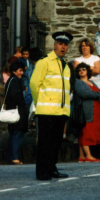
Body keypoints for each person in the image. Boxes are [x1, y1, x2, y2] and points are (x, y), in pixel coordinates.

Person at [30, 31, 73, 180]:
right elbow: (34, 84)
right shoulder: (44, 62)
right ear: (54, 45)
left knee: (56, 142)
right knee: (44, 143)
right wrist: (39, 102)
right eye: (60, 44)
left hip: (61, 111)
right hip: (47, 110)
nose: (63, 47)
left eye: (65, 44)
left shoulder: (66, 66)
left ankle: (52, 168)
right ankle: (42, 171)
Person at [74, 62, 100, 162]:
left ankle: (81, 156)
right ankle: (88, 156)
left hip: (96, 110)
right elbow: (86, 94)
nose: (81, 71)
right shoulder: (78, 83)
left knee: (89, 131)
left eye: (84, 69)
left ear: (87, 71)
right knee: (86, 131)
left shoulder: (91, 82)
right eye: (79, 69)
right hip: (87, 110)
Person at [4, 61, 29, 165]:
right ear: (14, 71)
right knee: (17, 134)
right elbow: (16, 96)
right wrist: (23, 104)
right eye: (19, 71)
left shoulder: (12, 80)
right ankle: (14, 157)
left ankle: (12, 156)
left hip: (14, 110)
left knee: (15, 133)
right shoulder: (14, 81)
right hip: (17, 111)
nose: (21, 73)